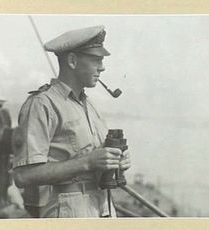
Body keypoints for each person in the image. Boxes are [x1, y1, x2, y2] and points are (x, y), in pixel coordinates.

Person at [13, 25, 131, 218]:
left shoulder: (89, 106)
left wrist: (117, 161)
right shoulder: (42, 104)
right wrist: (87, 163)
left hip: (103, 209)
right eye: (96, 60)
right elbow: (23, 176)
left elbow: (95, 160)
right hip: (69, 214)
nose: (102, 67)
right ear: (73, 61)